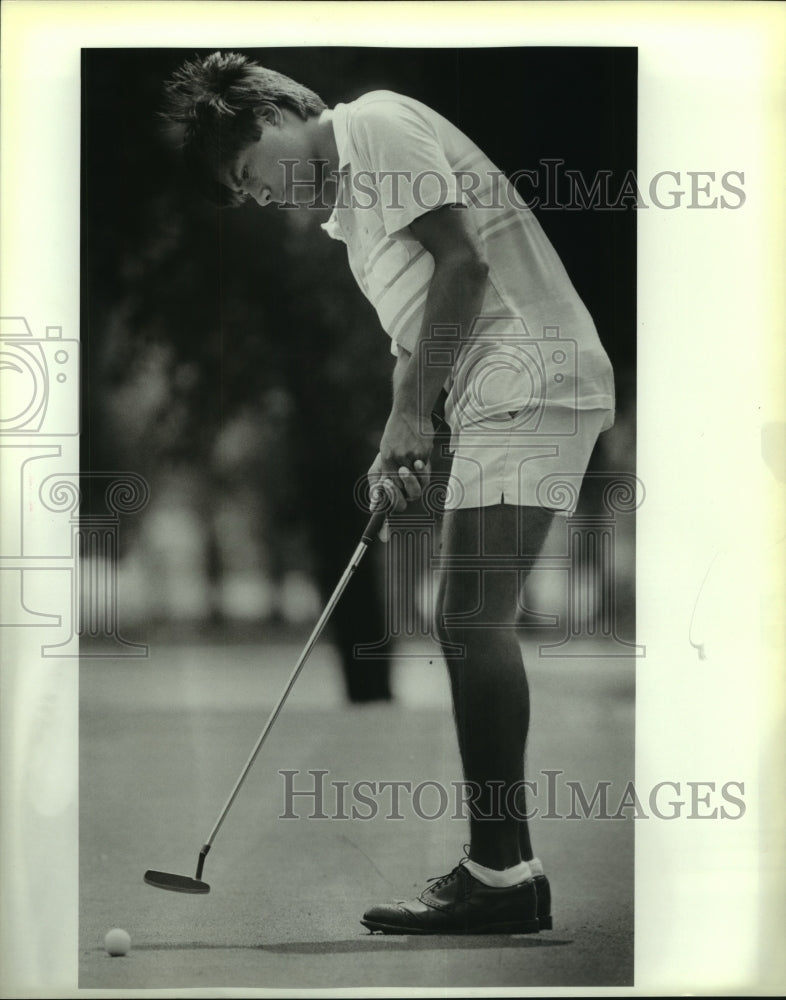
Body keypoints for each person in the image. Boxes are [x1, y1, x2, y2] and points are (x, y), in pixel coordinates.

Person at [161, 51, 615, 935]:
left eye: (251, 174)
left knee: (468, 618)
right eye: (247, 196)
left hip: (533, 370)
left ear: (279, 115)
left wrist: (417, 414)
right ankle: (504, 871)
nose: (264, 198)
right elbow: (418, 337)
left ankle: (501, 876)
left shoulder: (371, 122)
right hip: (499, 386)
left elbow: (464, 267)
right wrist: (396, 432)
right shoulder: (352, 225)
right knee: (467, 618)